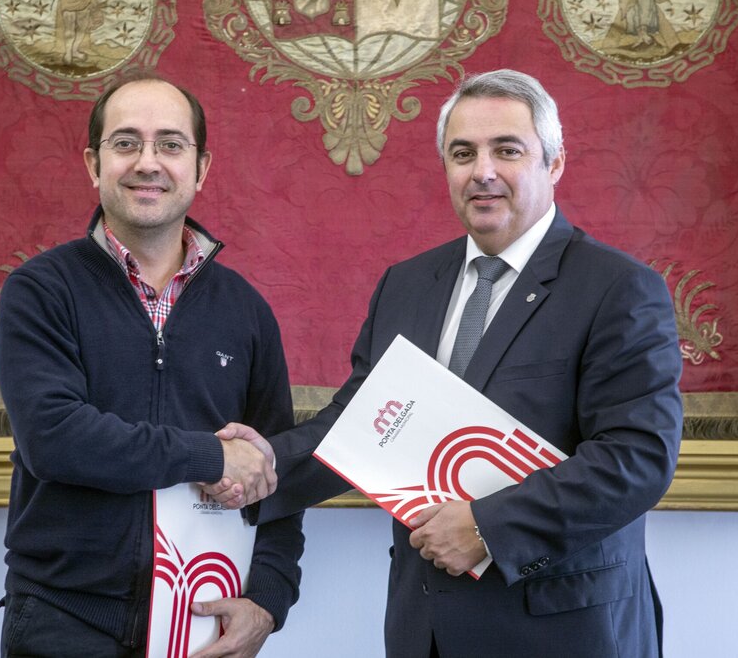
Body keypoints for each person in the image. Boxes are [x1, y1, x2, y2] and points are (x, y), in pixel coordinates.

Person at [209, 69, 683, 657]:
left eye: (507, 150)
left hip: (563, 630)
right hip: (425, 627)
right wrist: (253, 466)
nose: (482, 171)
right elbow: (362, 427)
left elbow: (637, 458)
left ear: (555, 162)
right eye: (463, 153)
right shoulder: (406, 285)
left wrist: (488, 527)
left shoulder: (618, 288)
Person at [0, 73, 304, 658]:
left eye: (170, 144)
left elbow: (275, 472)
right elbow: (54, 438)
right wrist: (211, 455)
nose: (148, 162)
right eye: (126, 143)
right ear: (94, 164)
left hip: (202, 623)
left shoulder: (246, 310)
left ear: (200, 168)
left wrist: (267, 599)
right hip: (63, 621)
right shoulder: (40, 290)